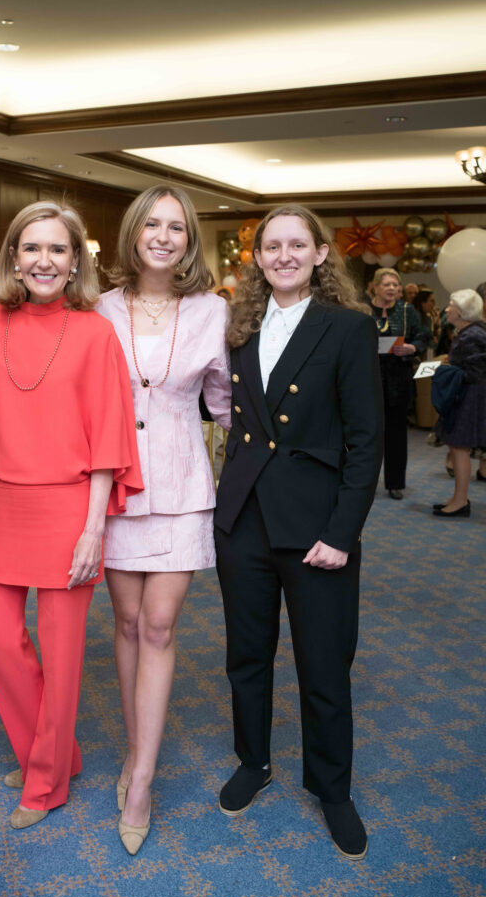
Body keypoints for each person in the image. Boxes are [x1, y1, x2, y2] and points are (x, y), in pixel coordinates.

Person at [213, 204, 382, 860]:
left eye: (296, 245)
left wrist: (342, 532)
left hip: (318, 528)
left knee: (324, 665)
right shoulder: (238, 327)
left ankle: (331, 788)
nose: (283, 254)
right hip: (244, 523)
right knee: (246, 659)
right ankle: (253, 762)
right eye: (270, 246)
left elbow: (365, 443)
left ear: (318, 254)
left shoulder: (346, 328)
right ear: (256, 258)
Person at [0, 201, 142, 831]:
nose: (44, 260)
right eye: (32, 248)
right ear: (13, 256)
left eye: (58, 250)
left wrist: (94, 527)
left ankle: (45, 783)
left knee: (63, 654)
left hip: (70, 507)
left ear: (76, 263)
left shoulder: (96, 331)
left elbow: (108, 436)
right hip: (0, 502)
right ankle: (56, 752)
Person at [97, 185, 233, 855]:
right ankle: (131, 751)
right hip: (117, 486)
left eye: (175, 227)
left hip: (182, 485)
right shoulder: (98, 309)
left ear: (189, 240)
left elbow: (228, 402)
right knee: (124, 623)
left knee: (158, 624)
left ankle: (144, 777)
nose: (162, 235)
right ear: (133, 233)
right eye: (151, 224)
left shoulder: (212, 311)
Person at [368, 267, 426, 499]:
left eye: (396, 285)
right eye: (387, 285)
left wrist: (412, 347)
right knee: (367, 435)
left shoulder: (407, 310)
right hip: (367, 379)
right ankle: (363, 484)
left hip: (398, 380)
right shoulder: (362, 308)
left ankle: (395, 483)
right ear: (375, 286)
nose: (392, 289)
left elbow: (423, 335)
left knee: (396, 435)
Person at [432, 289, 486, 518]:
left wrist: (447, 371)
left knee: (460, 447)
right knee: (457, 447)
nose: (446, 309)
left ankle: (461, 501)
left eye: (451, 305)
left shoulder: (472, 334)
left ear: (462, 312)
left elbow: (475, 372)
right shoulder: (468, 331)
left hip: (470, 397)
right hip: (468, 395)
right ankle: (457, 497)